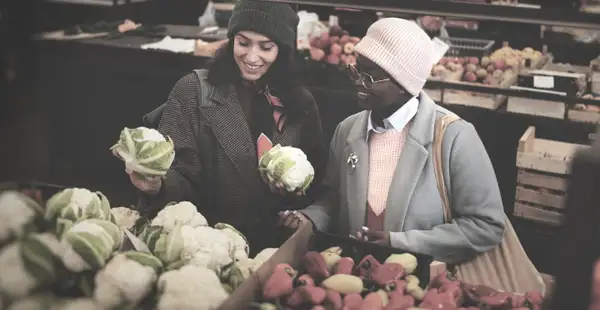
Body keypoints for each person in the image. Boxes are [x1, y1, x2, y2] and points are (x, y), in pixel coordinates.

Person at [289, 18, 505, 264]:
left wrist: (401, 243)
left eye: (371, 77)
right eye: (357, 70)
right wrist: (308, 219)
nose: (359, 82)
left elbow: (485, 226)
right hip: (353, 278)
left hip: (422, 289)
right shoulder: (347, 130)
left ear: (405, 84)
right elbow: (334, 201)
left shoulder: (455, 138)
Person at [128, 0, 326, 255]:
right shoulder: (193, 91)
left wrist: (294, 196)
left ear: (283, 50)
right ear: (231, 39)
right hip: (210, 245)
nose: (252, 57)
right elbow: (180, 173)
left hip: (276, 250)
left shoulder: (302, 102)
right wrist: (157, 186)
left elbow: (318, 180)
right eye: (243, 43)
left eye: (266, 47)